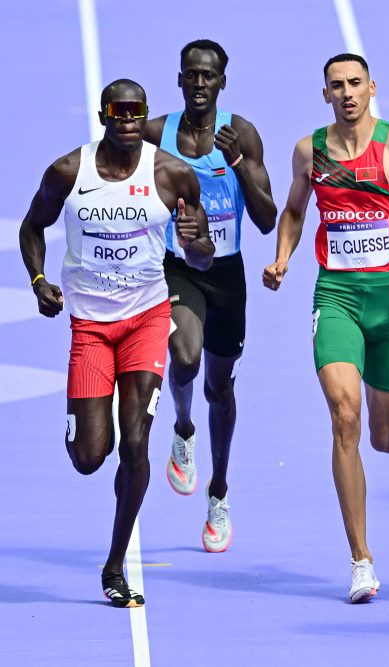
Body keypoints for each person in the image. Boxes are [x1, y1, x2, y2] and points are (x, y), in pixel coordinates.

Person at [262, 53, 389, 603]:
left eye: (354, 84)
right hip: (338, 295)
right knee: (344, 415)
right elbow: (295, 212)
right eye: (335, 86)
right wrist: (283, 258)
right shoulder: (308, 151)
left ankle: (381, 408)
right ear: (324, 94)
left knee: (386, 440)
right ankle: (361, 559)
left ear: (372, 88)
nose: (346, 93)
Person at [18, 79, 213, 607]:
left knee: (134, 445)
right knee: (89, 456)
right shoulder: (67, 172)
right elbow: (31, 228)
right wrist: (38, 282)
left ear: (145, 115)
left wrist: (196, 243)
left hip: (147, 320)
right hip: (90, 325)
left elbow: (202, 258)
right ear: (104, 115)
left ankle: (114, 564)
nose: (128, 118)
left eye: (137, 111)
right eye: (118, 110)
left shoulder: (173, 174)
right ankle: (80, 425)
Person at [145, 39, 277, 552]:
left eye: (209, 75)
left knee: (220, 390)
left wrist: (239, 162)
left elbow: (265, 220)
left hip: (227, 276)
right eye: (191, 74)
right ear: (180, 79)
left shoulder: (240, 133)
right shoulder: (158, 134)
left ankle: (218, 492)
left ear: (222, 82)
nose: (199, 82)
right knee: (184, 355)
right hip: (178, 268)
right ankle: (182, 428)